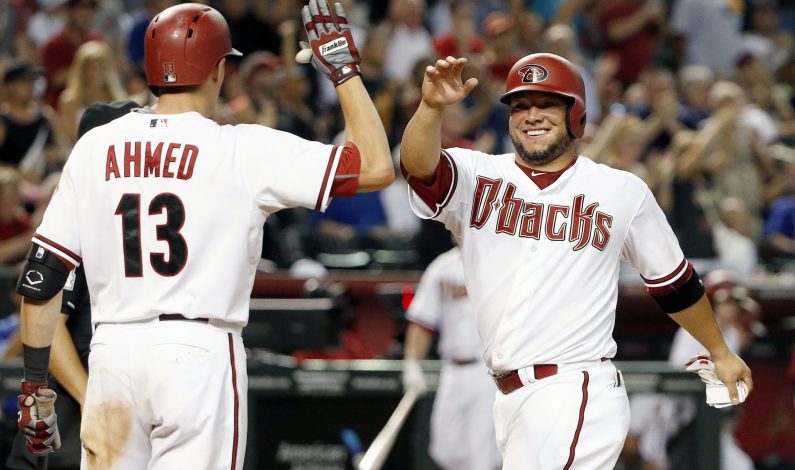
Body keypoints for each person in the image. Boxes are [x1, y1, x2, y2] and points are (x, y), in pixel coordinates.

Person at [13, 2, 393, 469]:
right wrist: (343, 69)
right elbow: (375, 165)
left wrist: (34, 385)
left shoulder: (95, 145)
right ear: (218, 70)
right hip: (197, 354)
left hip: (113, 352)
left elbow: (41, 277)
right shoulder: (240, 148)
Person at [398, 52, 753, 469]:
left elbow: (675, 283)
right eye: (520, 106)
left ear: (577, 116)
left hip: (572, 388)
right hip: (508, 395)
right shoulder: (476, 174)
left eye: (547, 104)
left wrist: (719, 351)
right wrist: (431, 108)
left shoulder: (620, 191)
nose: (532, 115)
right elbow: (418, 167)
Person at [6, 100, 139, 470]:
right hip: (71, 410)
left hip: (105, 400)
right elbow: (49, 323)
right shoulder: (78, 215)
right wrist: (89, 399)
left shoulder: (122, 212)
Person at [402, 245, 500, 470]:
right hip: (452, 370)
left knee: (482, 454)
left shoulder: (502, 261)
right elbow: (422, 321)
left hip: (488, 373)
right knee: (446, 449)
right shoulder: (441, 268)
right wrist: (412, 364)